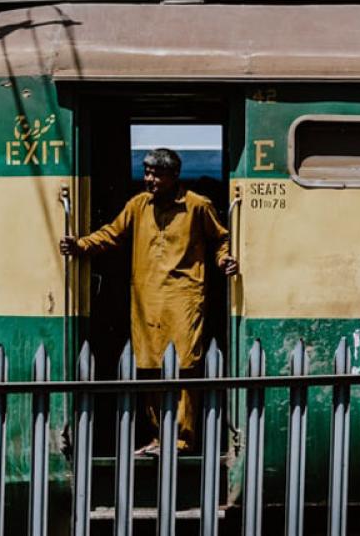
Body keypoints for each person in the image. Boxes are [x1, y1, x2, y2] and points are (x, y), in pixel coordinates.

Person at [60, 148, 238, 454]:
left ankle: (183, 438)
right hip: (146, 298)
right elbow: (111, 234)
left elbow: (220, 238)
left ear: (173, 176)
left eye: (156, 174)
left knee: (184, 366)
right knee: (150, 366)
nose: (149, 179)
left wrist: (224, 261)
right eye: (147, 172)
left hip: (185, 297)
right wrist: (80, 245)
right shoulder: (138, 205)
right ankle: (159, 436)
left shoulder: (198, 206)